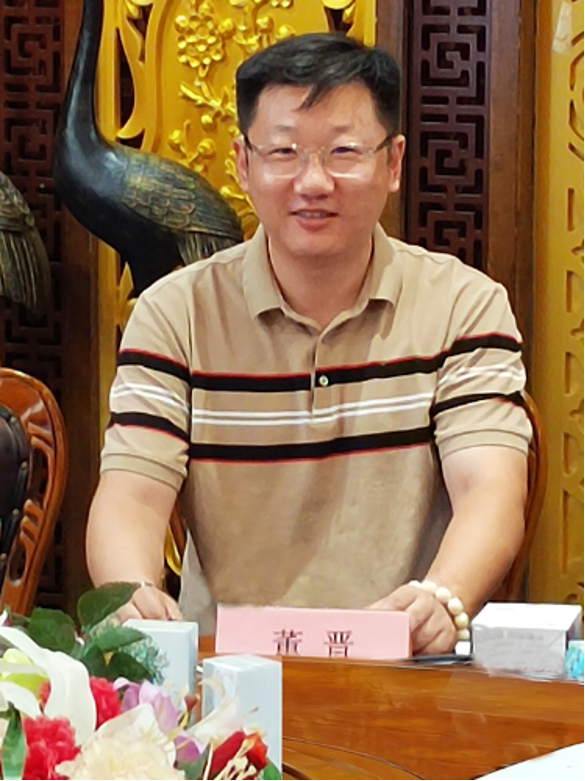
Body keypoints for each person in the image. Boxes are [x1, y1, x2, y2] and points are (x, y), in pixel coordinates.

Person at [86, 33, 530, 655]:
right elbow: (131, 493)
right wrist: (132, 592)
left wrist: (444, 596)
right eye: (284, 152)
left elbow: (490, 488)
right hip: (227, 672)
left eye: (343, 151)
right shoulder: (175, 314)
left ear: (393, 162)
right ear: (243, 165)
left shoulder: (464, 306)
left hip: (404, 664)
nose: (314, 181)